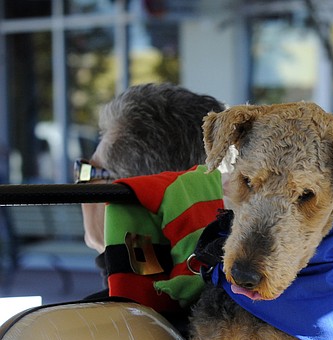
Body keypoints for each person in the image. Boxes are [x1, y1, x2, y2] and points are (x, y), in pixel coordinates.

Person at [76, 82, 226, 325]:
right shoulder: (247, 301)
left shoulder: (76, 328)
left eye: (87, 172)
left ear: (133, 193)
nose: (79, 184)